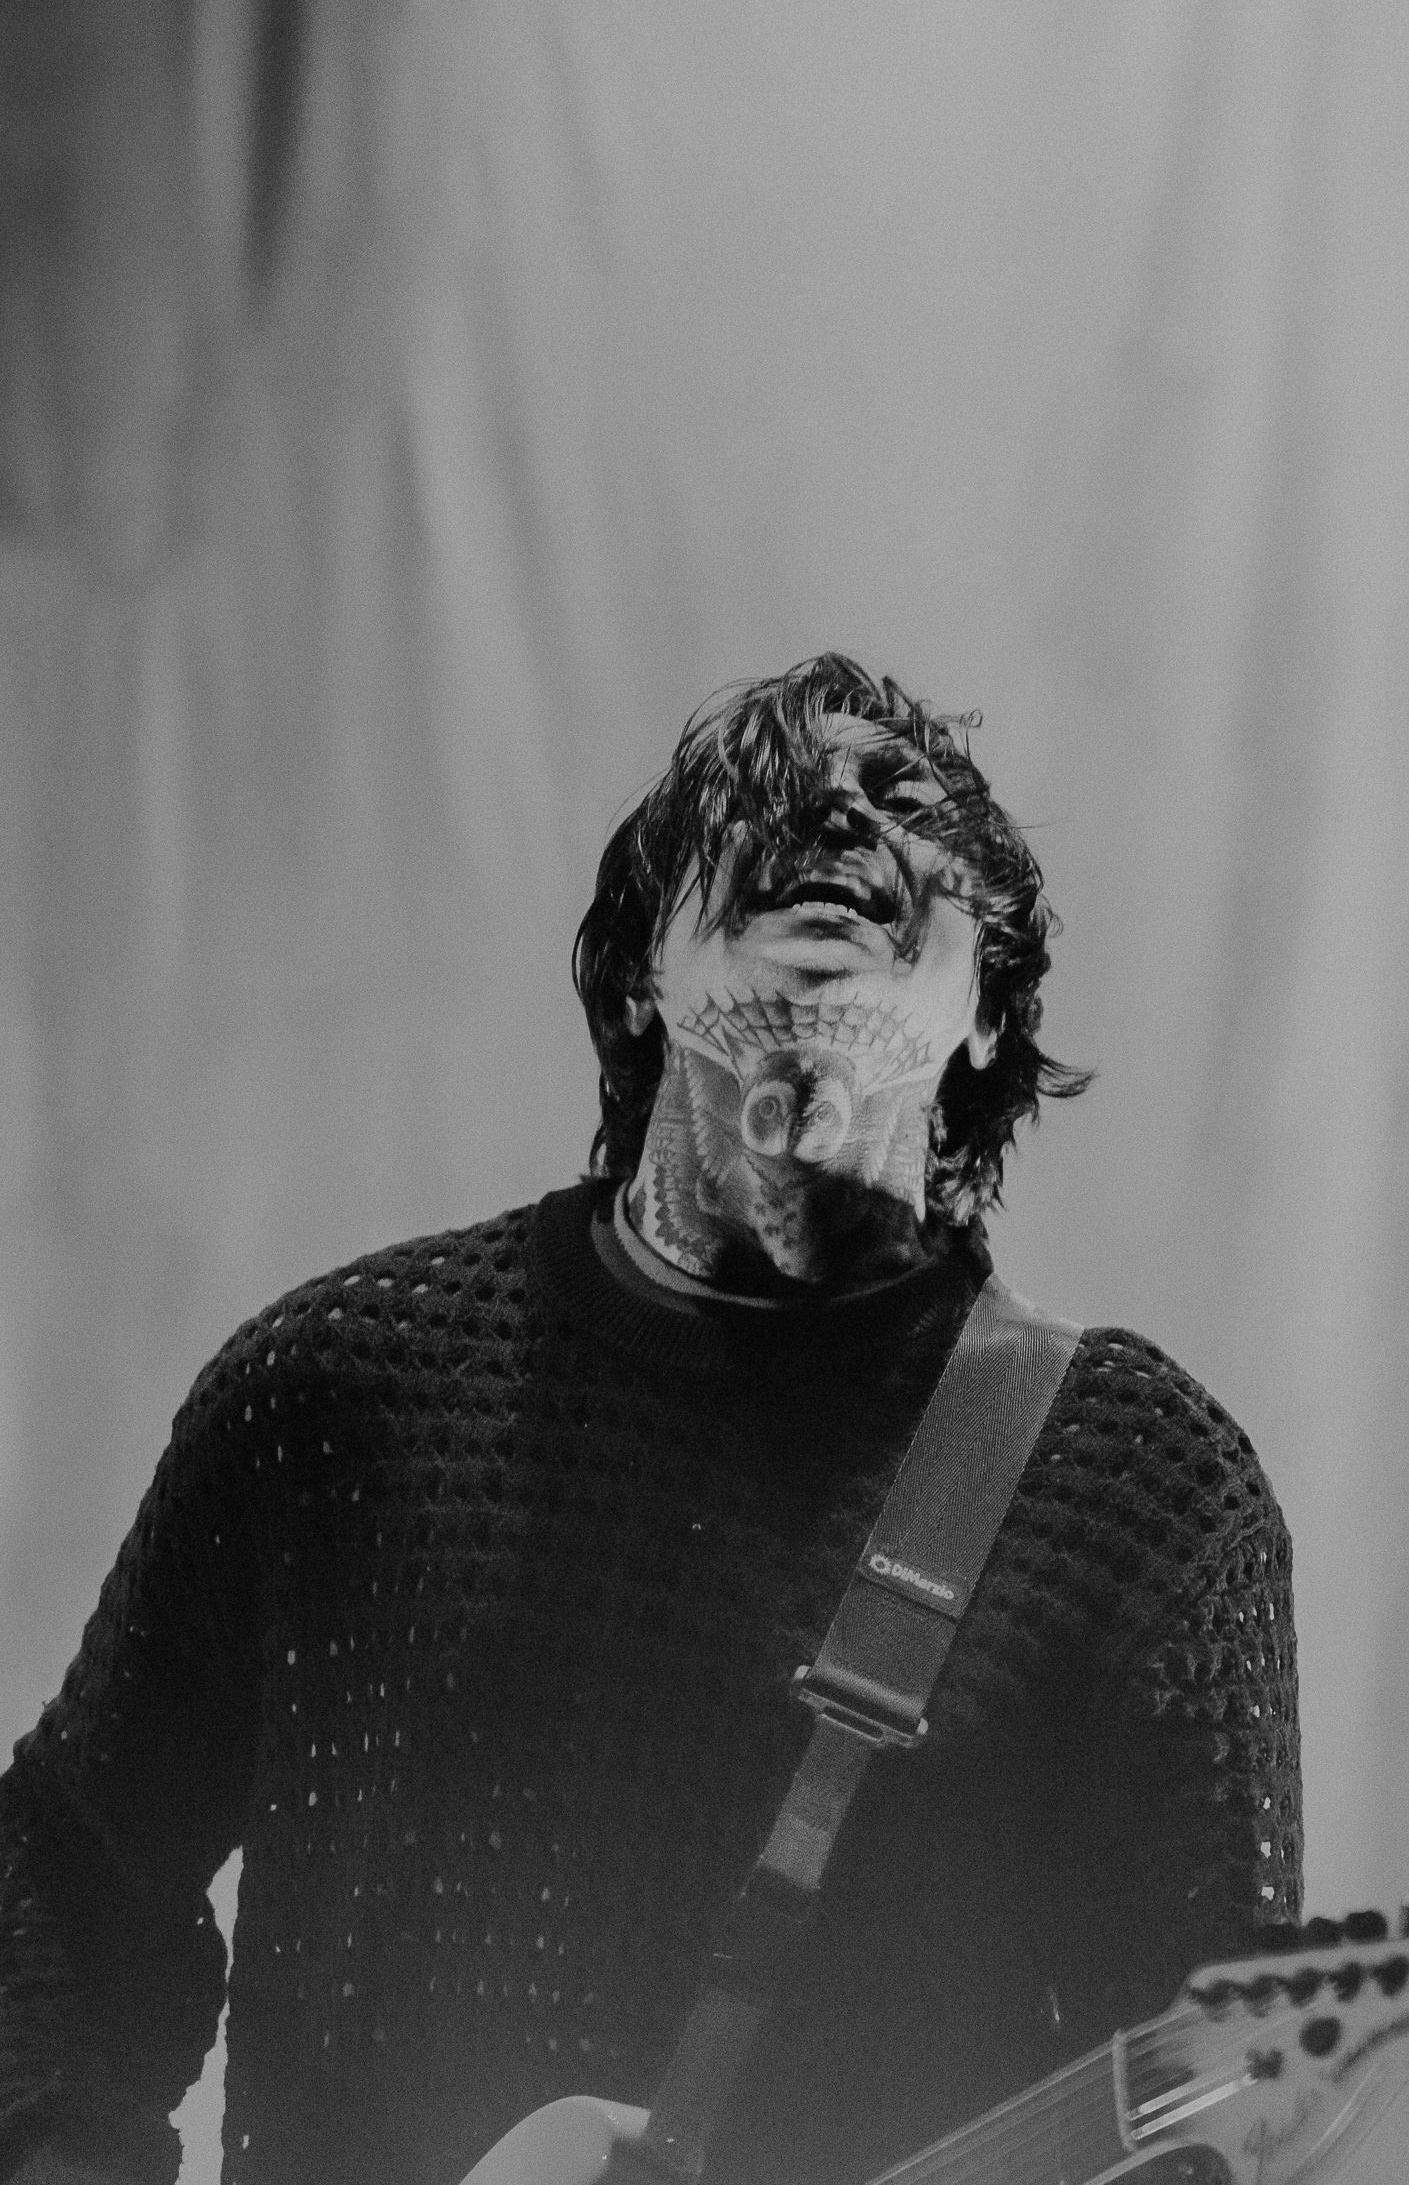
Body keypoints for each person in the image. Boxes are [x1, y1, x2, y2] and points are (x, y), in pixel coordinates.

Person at [0, 654, 1302, 2185]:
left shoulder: (1138, 1487)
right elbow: (58, 1879)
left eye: (905, 807)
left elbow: (1206, 2108)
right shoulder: (337, 1396)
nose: (840, 810)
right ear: (638, 973)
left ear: (983, 1015)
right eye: (768, 801)